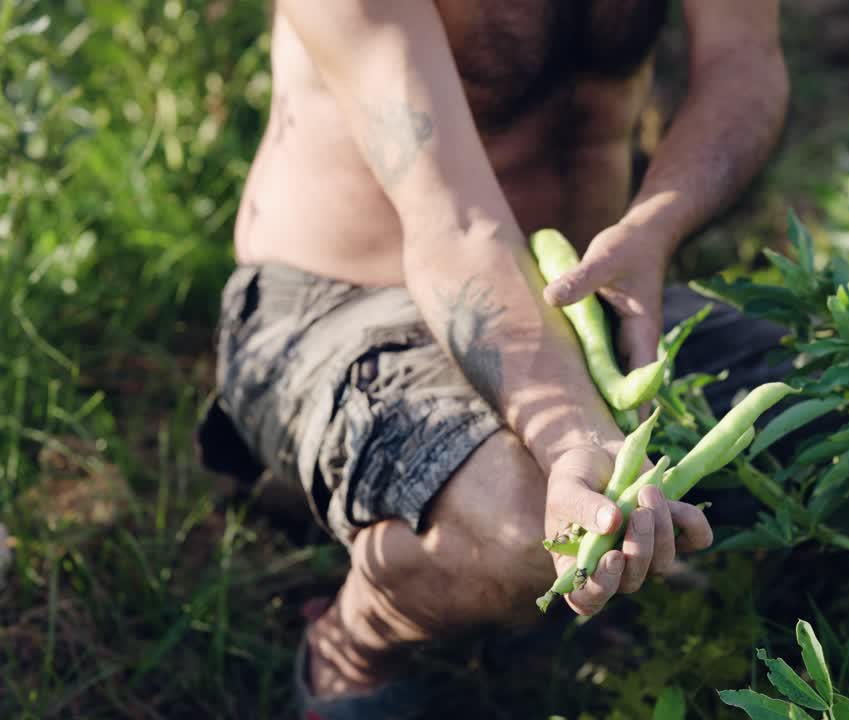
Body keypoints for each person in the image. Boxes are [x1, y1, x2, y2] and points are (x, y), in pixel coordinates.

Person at [197, 1, 788, 717]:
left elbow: (745, 69)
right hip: (342, 301)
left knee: (838, 404)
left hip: (577, 290)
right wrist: (576, 440)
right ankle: (355, 642)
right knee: (530, 524)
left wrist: (655, 226)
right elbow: (455, 223)